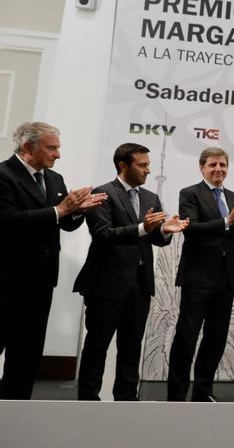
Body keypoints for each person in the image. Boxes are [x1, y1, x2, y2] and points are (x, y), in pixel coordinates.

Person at [74, 143, 188, 400]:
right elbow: (103, 235)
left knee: (131, 347)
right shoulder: (101, 194)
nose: (148, 170)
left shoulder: (150, 197)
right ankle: (87, 401)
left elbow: (155, 238)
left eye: (148, 165)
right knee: (97, 346)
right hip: (106, 284)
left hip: (139, 285)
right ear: (123, 166)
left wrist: (164, 231)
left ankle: (126, 400)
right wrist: (142, 228)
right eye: (143, 165)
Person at [0, 122, 106, 400]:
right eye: (52, 147)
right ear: (27, 147)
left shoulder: (55, 179)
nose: (58, 154)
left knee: (27, 352)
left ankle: (15, 410)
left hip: (41, 280)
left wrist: (75, 212)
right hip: (7, 279)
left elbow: (65, 223)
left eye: (58, 147)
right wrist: (59, 210)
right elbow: (9, 221)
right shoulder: (3, 174)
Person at [166, 147, 234, 402]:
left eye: (222, 165)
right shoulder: (190, 194)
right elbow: (192, 230)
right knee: (187, 337)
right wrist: (227, 221)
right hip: (197, 276)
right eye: (213, 165)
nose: (218, 169)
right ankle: (176, 395)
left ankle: (203, 391)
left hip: (225, 278)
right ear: (202, 168)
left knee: (216, 337)